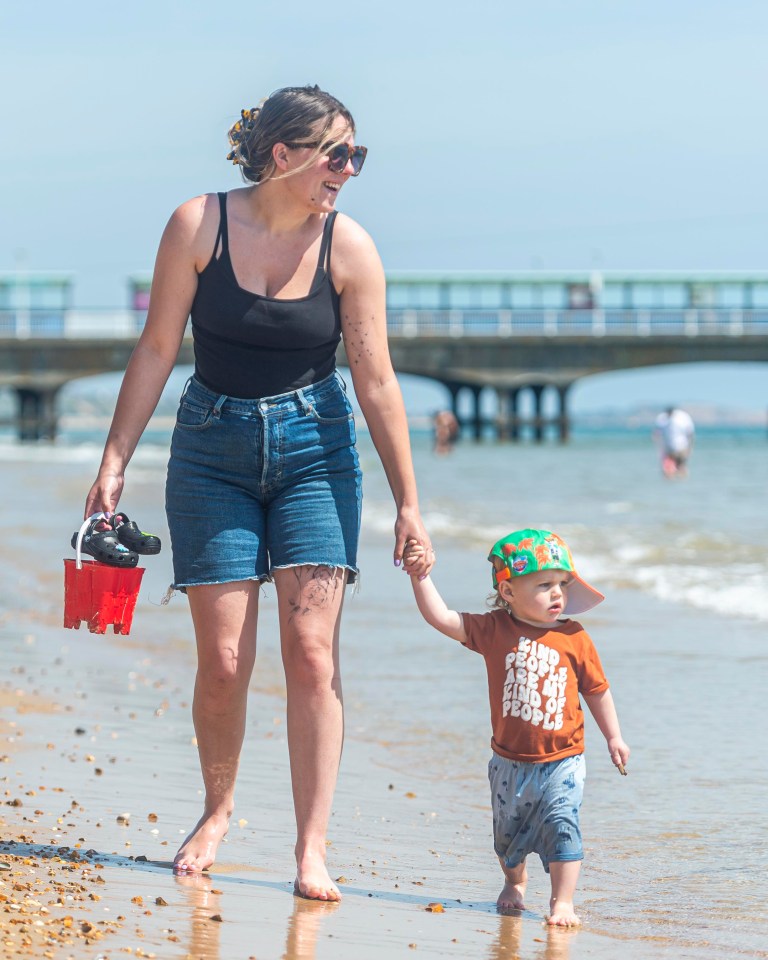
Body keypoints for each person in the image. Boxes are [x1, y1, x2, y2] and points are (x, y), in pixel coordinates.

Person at [83, 84, 433, 900]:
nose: (348, 170)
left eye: (357, 155)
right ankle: (218, 808)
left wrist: (409, 500)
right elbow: (157, 347)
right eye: (337, 154)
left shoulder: (351, 249)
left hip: (318, 451)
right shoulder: (198, 224)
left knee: (312, 656)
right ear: (284, 156)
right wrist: (113, 462)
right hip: (212, 450)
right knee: (225, 660)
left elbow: (377, 382)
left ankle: (312, 848)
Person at [403, 529, 629, 926]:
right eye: (544, 585)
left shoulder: (575, 637)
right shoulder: (494, 630)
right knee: (507, 838)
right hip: (509, 762)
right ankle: (515, 881)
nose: (557, 593)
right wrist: (420, 576)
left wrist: (614, 736)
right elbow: (442, 618)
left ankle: (562, 902)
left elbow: (597, 690)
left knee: (564, 825)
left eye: (561, 584)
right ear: (507, 592)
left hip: (564, 760)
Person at [653, 405, 695, 478]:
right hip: (669, 448)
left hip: (681, 447)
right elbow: (656, 434)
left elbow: (690, 434)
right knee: (668, 471)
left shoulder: (682, 418)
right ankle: (672, 486)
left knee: (681, 467)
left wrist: (690, 447)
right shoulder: (662, 419)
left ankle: (682, 485)